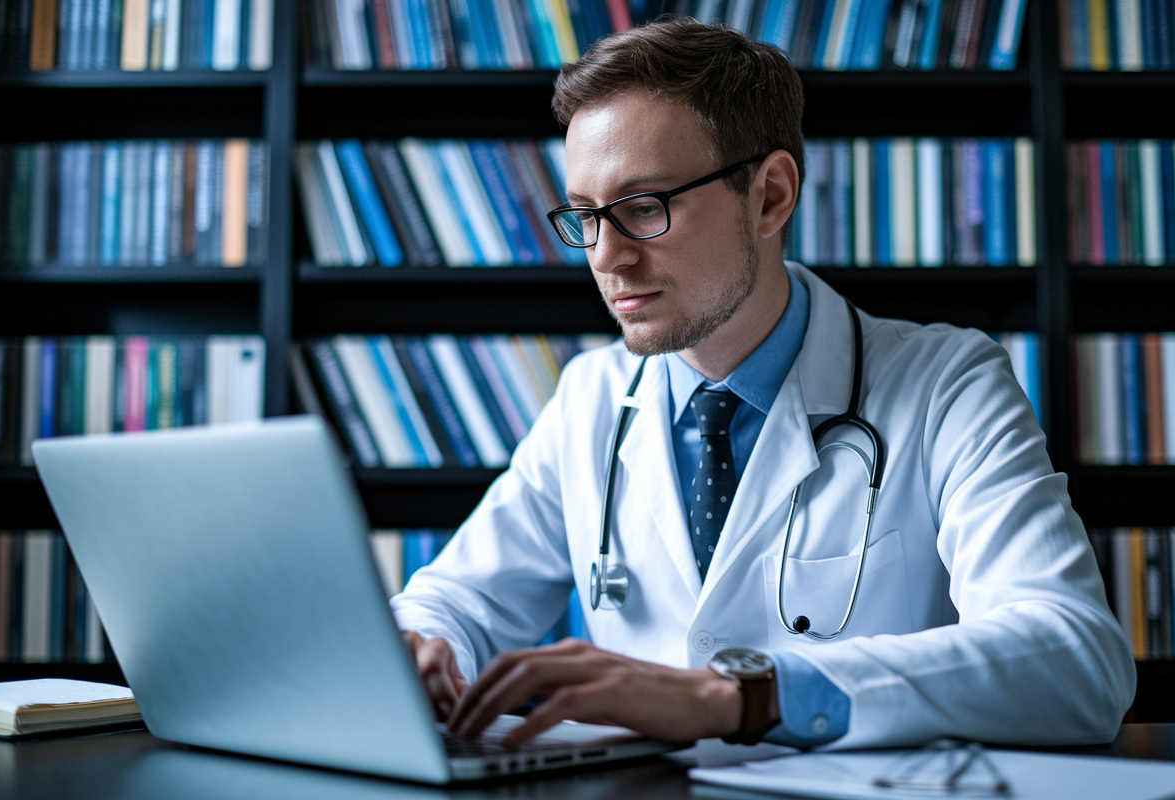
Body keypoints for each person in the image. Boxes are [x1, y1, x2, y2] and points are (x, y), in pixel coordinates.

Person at [390, 18, 1136, 750]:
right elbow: (459, 598)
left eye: (644, 207)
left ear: (771, 196)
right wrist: (425, 643)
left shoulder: (948, 386)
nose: (607, 258)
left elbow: (1075, 660)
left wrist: (737, 697)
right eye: (584, 216)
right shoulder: (591, 397)